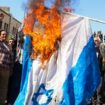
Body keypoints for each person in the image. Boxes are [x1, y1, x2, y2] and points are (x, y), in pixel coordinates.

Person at [0, 30, 13, 105]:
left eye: (5, 34)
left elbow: (11, 58)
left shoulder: (8, 45)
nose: (4, 36)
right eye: (2, 34)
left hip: (6, 70)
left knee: (4, 88)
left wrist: (11, 69)